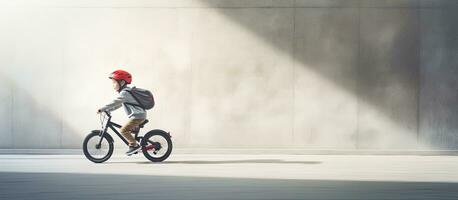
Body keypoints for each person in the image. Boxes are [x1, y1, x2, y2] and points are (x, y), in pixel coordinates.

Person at [97, 70, 146, 156]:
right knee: (127, 130)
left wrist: (102, 108)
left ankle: (134, 145)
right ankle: (135, 143)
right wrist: (108, 110)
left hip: (137, 116)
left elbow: (115, 102)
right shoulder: (126, 93)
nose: (113, 85)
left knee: (123, 130)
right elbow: (118, 104)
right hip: (138, 115)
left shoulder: (125, 93)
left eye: (114, 82)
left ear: (122, 82)